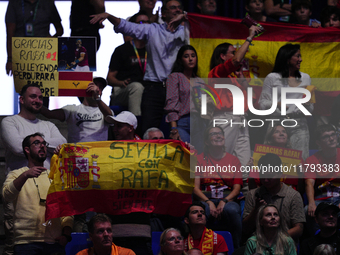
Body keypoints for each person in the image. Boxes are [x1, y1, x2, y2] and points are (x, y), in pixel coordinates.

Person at [90, 0, 189, 134]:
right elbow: (126, 26)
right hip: (154, 88)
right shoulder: (152, 30)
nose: (177, 10)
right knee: (149, 130)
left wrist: (185, 16)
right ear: (164, 14)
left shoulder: (188, 31)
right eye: (173, 8)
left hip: (177, 89)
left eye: (179, 8)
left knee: (178, 132)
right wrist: (108, 16)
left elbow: (207, 25)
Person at [0, 83, 67, 255]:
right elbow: (17, 146)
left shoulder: (49, 125)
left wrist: (38, 143)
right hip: (20, 192)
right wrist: (48, 144)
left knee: (47, 242)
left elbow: (63, 145)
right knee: (14, 243)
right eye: (33, 96)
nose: (37, 100)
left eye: (40, 97)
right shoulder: (10, 121)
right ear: (21, 99)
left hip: (47, 187)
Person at [2, 133, 73, 255]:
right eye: (37, 143)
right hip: (25, 243)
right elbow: (7, 195)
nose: (42, 146)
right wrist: (25, 175)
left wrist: (66, 235)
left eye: (44, 143)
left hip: (54, 243)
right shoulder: (16, 174)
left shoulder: (55, 177)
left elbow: (66, 210)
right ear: (27, 150)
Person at [208, 25, 262, 168]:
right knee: (222, 157)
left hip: (241, 119)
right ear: (223, 56)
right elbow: (237, 61)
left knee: (246, 164)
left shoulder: (237, 77)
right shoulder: (217, 73)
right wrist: (249, 38)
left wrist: (244, 83)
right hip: (225, 119)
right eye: (233, 52)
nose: (237, 55)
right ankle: (219, 188)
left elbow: (253, 102)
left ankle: (245, 189)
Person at [259, 43, 313, 160]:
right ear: (287, 58)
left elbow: (311, 108)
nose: (301, 59)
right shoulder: (272, 77)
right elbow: (262, 104)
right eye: (298, 56)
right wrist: (278, 104)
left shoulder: (306, 77)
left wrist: (307, 105)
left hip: (299, 124)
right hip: (277, 124)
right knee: (272, 162)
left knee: (299, 163)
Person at [194, 126, 243, 248]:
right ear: (206, 141)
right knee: (202, 211)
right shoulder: (198, 159)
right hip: (204, 199)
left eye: (220, 133)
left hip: (228, 199)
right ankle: (200, 247)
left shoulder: (234, 160)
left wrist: (225, 201)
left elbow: (237, 188)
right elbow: (195, 188)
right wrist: (208, 202)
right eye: (213, 134)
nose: (218, 135)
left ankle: (238, 248)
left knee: (231, 210)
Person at [242, 153, 305, 242]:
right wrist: (256, 210)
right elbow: (246, 228)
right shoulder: (253, 194)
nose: (266, 180)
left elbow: (299, 228)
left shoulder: (293, 195)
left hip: (284, 243)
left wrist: (275, 239)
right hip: (258, 244)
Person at [40, 78, 113, 143]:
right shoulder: (73, 109)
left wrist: (97, 97)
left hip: (98, 154)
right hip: (76, 154)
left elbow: (110, 116)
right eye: (94, 85)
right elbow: (49, 114)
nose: (97, 89)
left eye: (100, 88)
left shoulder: (105, 110)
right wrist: (35, 103)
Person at [5, 0, 63, 76]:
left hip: (43, 54)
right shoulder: (14, 2)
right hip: (21, 55)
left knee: (44, 83)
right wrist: (10, 59)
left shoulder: (48, 2)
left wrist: (52, 39)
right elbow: (10, 33)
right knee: (23, 84)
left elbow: (60, 29)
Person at [107, 11, 148, 116]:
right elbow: (110, 78)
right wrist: (121, 83)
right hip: (123, 90)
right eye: (141, 22)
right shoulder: (122, 50)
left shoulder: (152, 49)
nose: (145, 25)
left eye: (148, 22)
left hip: (145, 89)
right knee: (136, 87)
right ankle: (135, 126)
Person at [164, 45, 207, 144]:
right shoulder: (175, 77)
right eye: (186, 56)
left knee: (200, 157)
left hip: (200, 122)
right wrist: (173, 128)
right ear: (180, 60)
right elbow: (171, 104)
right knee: (186, 155)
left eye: (193, 56)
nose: (190, 59)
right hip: (183, 122)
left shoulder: (200, 80)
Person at [304, 124, 340, 235]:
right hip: (322, 197)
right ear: (318, 143)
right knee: (306, 210)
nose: (331, 138)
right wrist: (311, 203)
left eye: (333, 135)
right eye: (326, 136)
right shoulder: (312, 159)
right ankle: (317, 239)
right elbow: (309, 183)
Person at [248, 124, 303, 192]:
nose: (281, 134)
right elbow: (253, 190)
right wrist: (250, 171)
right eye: (276, 132)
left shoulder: (296, 159)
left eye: (284, 131)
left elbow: (301, 190)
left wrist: (301, 175)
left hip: (289, 196)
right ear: (270, 138)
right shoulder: (260, 157)